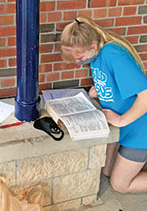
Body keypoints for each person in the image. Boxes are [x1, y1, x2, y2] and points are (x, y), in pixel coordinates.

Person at [60, 17, 147, 194]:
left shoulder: (113, 54)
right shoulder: (96, 55)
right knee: (106, 171)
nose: (79, 62)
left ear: (92, 46)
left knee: (120, 185)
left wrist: (121, 120)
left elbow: (145, 96)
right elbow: (115, 80)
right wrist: (100, 89)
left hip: (139, 129)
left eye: (80, 58)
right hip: (120, 125)